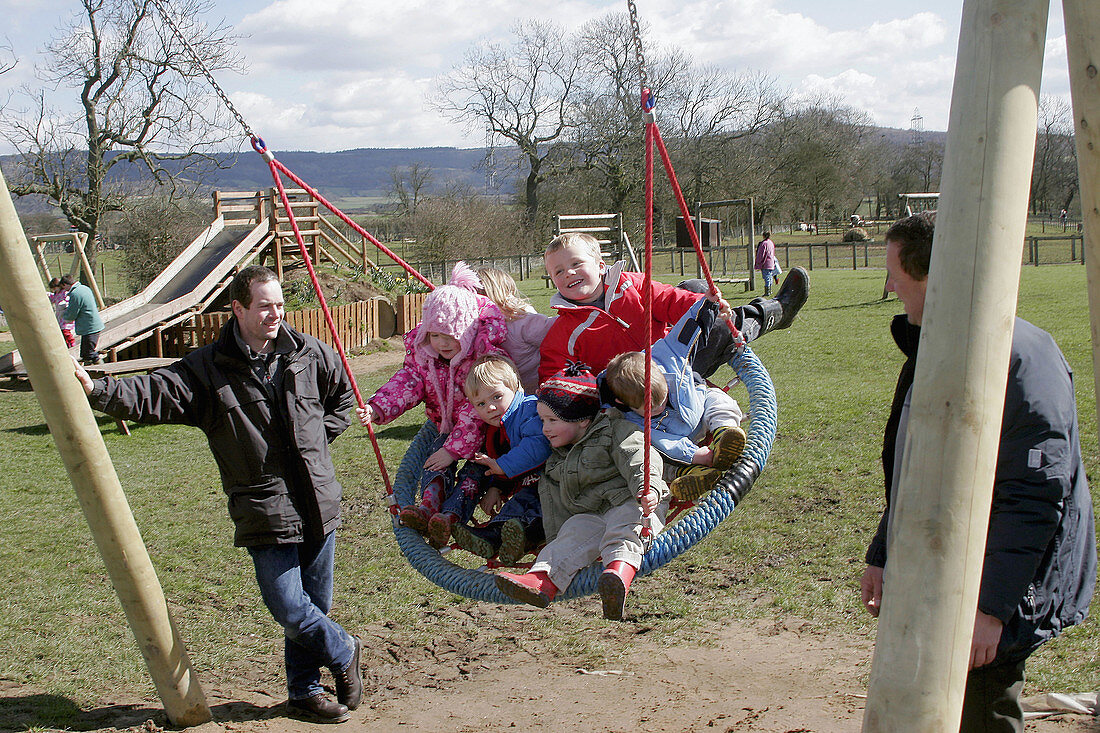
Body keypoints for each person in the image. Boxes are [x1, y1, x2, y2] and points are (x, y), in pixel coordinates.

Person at [73, 265, 364, 724]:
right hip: (265, 506)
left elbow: (342, 398)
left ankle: (305, 693)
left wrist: (316, 446)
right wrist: (99, 389)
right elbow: (154, 391)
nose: (276, 314)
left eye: (280, 304)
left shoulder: (309, 353)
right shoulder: (207, 369)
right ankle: (345, 649)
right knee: (290, 607)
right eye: (265, 306)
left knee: (314, 607)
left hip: (320, 502)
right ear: (238, 308)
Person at [859, 212, 1096, 732]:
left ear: (932, 279)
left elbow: (1034, 497)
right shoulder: (935, 349)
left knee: (983, 704)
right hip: (952, 564)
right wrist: (883, 553)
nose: (892, 291)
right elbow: (913, 465)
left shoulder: (1023, 363)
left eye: (897, 281)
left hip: (1002, 582)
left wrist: (991, 610)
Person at [495, 363, 668, 621]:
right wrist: (553, 538)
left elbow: (638, 458)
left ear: (582, 420)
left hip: (632, 500)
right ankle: (541, 581)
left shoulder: (613, 431)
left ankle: (618, 574)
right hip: (589, 514)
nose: (545, 429)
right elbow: (553, 504)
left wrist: (647, 488)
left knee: (625, 527)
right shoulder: (555, 458)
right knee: (570, 535)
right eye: (543, 420)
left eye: (553, 420)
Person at [358, 263, 506, 546]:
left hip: (488, 433)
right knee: (433, 462)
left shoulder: (482, 362)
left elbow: (474, 411)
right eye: (436, 335)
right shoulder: (427, 359)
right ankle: (429, 507)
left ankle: (451, 516)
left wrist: (454, 450)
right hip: (448, 431)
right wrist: (377, 408)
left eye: (452, 335)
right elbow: (407, 383)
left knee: (474, 473)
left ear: (469, 330)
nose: (443, 343)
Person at [538, 232, 808, 384]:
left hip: (675, 352)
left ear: (600, 266)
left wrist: (702, 306)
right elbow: (554, 375)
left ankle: (770, 312)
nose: (568, 274)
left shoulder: (630, 285)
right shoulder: (565, 329)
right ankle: (775, 312)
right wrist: (591, 388)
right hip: (648, 386)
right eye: (558, 271)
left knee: (698, 290)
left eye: (576, 264)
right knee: (717, 329)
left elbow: (667, 298)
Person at [602, 297, 746, 501]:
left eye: (663, 398)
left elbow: (688, 327)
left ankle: (725, 434)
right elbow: (665, 443)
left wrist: (709, 303)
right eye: (650, 410)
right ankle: (690, 475)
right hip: (676, 443)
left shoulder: (669, 356)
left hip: (698, 406)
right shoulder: (629, 420)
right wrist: (695, 456)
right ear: (624, 404)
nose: (659, 408)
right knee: (653, 457)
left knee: (719, 401)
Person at [447, 354, 551, 562]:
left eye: (496, 397)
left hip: (554, 481)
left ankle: (524, 540)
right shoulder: (496, 429)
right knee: (515, 508)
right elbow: (501, 458)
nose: (490, 408)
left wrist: (502, 466)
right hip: (530, 485)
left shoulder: (530, 409)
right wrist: (497, 487)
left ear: (516, 388)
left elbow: (539, 445)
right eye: (481, 404)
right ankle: (491, 537)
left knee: (537, 511)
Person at [475, 266, 555, 394]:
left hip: (532, 387)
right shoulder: (517, 319)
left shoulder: (520, 319)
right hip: (518, 390)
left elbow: (553, 331)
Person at [60, 274, 104, 364]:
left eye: (63, 287)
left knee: (89, 354)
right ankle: (91, 372)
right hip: (93, 325)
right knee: (85, 354)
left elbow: (72, 313)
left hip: (89, 327)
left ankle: (104, 370)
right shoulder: (84, 288)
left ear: (65, 284)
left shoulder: (75, 294)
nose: (64, 290)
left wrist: (63, 315)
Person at [48, 277, 77, 348]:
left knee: (65, 330)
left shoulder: (64, 293)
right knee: (62, 331)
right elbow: (52, 299)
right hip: (60, 316)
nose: (54, 290)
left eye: (54, 288)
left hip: (65, 315)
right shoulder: (56, 294)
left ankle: (72, 343)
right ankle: (68, 344)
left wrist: (63, 304)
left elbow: (68, 300)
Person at [754, 231, 781, 296]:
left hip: (765, 263)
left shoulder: (763, 244)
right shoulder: (771, 243)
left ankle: (767, 292)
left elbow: (761, 254)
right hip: (771, 262)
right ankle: (769, 290)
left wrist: (758, 262)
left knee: (766, 277)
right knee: (770, 276)